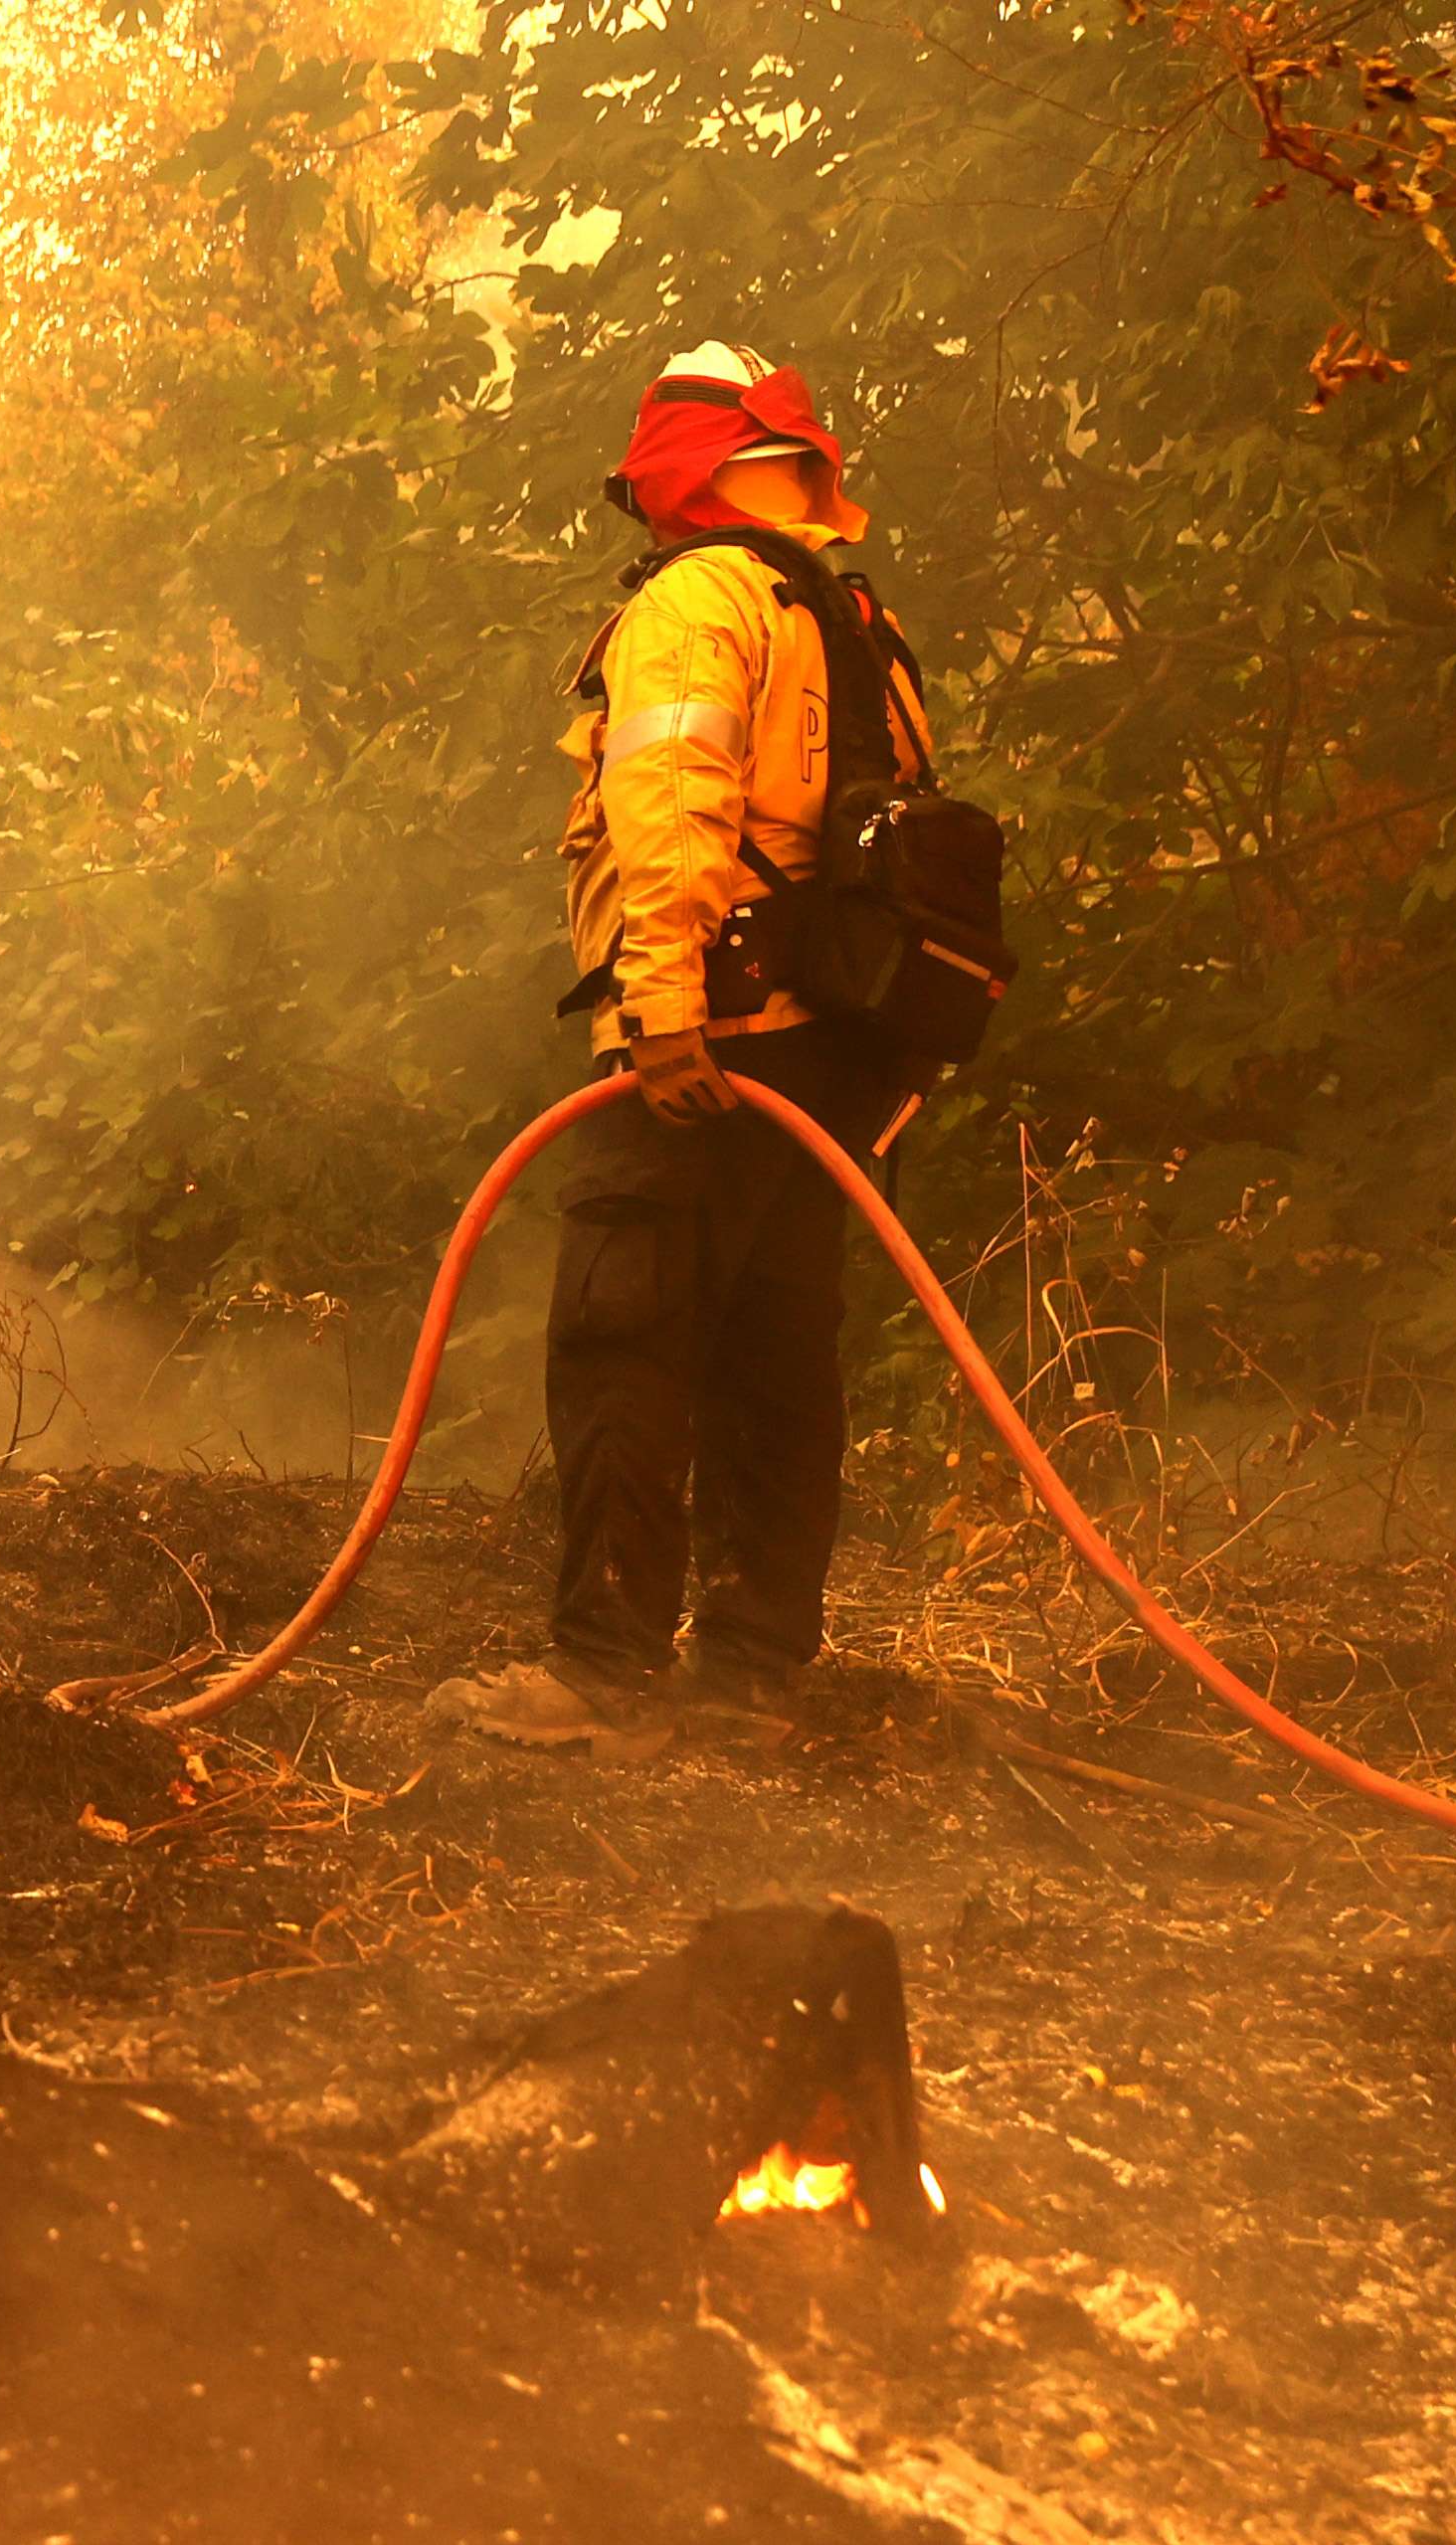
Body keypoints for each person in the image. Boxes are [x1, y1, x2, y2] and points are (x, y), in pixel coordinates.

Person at [436, 345, 942, 1753]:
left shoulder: (696, 604)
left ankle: (600, 1678)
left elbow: (670, 804)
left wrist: (661, 1001)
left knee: (621, 1335)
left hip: (712, 1042)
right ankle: (752, 1676)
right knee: (779, 1353)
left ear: (689, 469)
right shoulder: (848, 613)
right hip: (828, 1060)